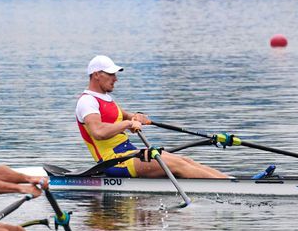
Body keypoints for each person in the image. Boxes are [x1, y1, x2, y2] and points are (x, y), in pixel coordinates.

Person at [75, 55, 229, 179]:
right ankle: (231, 189)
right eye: (111, 74)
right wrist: (129, 124)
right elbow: (99, 132)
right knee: (177, 166)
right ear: (96, 75)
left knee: (185, 160)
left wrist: (136, 116)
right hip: (113, 161)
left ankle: (230, 181)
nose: (115, 79)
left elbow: (122, 115)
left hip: (128, 153)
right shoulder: (87, 101)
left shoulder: (105, 98)